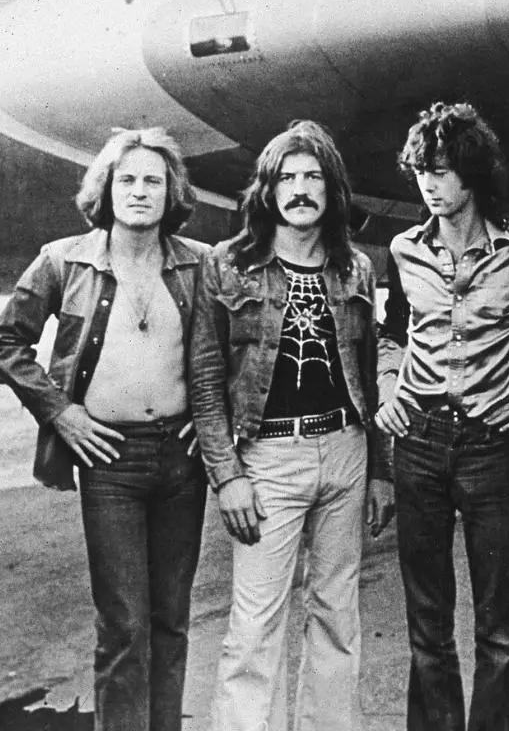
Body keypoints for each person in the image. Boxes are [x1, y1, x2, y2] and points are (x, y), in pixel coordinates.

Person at [0, 128, 209, 731]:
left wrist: (215, 425)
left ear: (172, 194)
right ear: (105, 189)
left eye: (153, 181)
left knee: (171, 619)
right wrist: (61, 412)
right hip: (110, 461)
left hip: (184, 463)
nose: (139, 191)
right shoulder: (63, 261)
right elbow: (5, 340)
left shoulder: (199, 264)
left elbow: (235, 352)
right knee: (125, 624)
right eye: (127, 179)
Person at [189, 120, 394, 731]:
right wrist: (227, 476)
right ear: (268, 190)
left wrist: (379, 471)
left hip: (345, 451)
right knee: (256, 624)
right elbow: (205, 380)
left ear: (332, 190)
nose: (300, 189)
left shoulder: (354, 268)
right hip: (267, 460)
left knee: (338, 615)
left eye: (313, 177)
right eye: (288, 177)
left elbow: (368, 377)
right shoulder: (228, 266)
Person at [376, 102, 509, 731]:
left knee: (496, 627)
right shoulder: (403, 250)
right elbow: (388, 334)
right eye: (421, 170)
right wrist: (386, 389)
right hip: (419, 445)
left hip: (491, 447)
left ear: (472, 174)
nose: (429, 182)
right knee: (427, 625)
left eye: (443, 170)